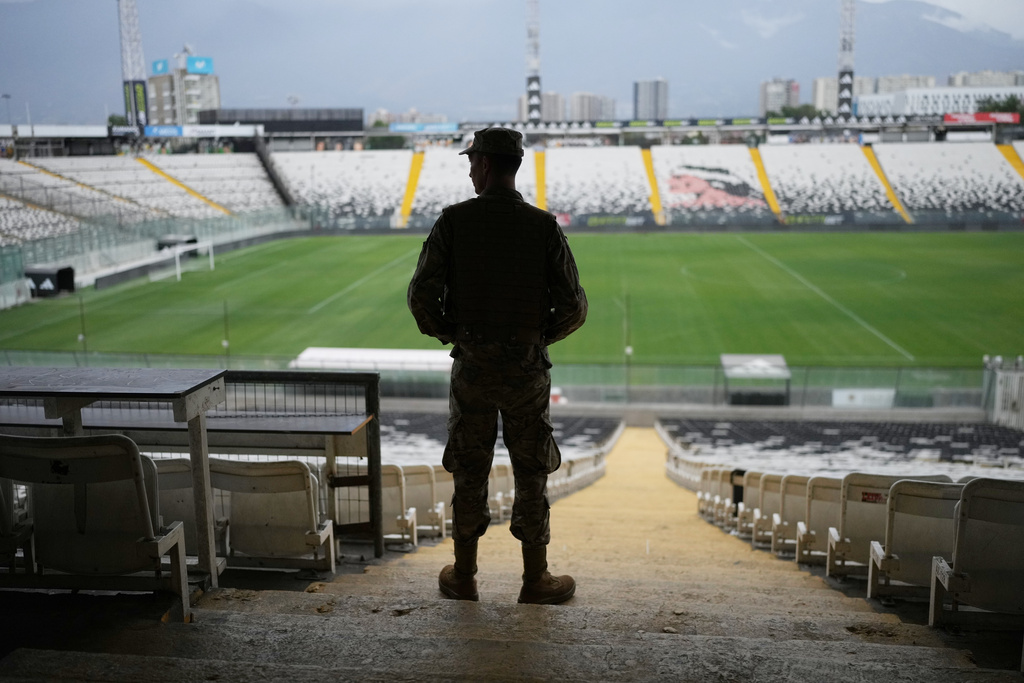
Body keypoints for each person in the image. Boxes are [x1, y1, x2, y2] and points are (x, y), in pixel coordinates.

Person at [407, 127, 587, 605]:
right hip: (527, 372)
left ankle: (464, 575)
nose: (469, 170)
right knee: (531, 471)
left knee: (470, 468)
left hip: (472, 370)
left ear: (485, 165)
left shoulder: (453, 222)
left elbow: (420, 297)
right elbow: (574, 306)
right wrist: (537, 338)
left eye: (472, 162)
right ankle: (536, 579)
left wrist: (455, 334)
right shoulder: (543, 226)